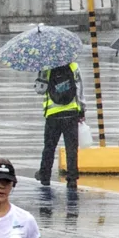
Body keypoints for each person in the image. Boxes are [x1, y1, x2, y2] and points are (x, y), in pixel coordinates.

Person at [38, 59, 82, 187]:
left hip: (53, 115)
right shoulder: (73, 66)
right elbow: (79, 90)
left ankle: (45, 176)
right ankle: (72, 179)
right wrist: (82, 110)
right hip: (71, 113)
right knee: (71, 148)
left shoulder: (46, 68)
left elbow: (40, 90)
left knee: (49, 147)